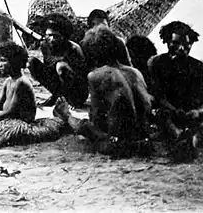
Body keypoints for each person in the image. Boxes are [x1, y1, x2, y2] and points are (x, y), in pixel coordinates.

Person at [54, 25, 153, 157]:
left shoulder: (96, 76)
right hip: (146, 143)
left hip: (119, 145)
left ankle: (65, 115)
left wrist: (70, 118)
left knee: (82, 125)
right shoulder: (135, 72)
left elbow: (97, 121)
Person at [148, 21, 203, 162]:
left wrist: (198, 112)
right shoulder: (156, 63)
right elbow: (158, 96)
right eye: (175, 43)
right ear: (166, 42)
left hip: (192, 114)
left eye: (186, 44)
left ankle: (190, 142)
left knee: (202, 124)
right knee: (163, 117)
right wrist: (174, 109)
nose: (181, 48)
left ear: (191, 44)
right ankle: (180, 138)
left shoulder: (201, 68)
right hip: (168, 112)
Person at [28, 13, 89, 107]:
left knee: (61, 66)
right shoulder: (45, 45)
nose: (52, 39)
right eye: (49, 35)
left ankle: (68, 101)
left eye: (56, 36)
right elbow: (49, 70)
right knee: (32, 62)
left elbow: (82, 78)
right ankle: (56, 97)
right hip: (59, 87)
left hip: (77, 92)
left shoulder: (73, 48)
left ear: (63, 36)